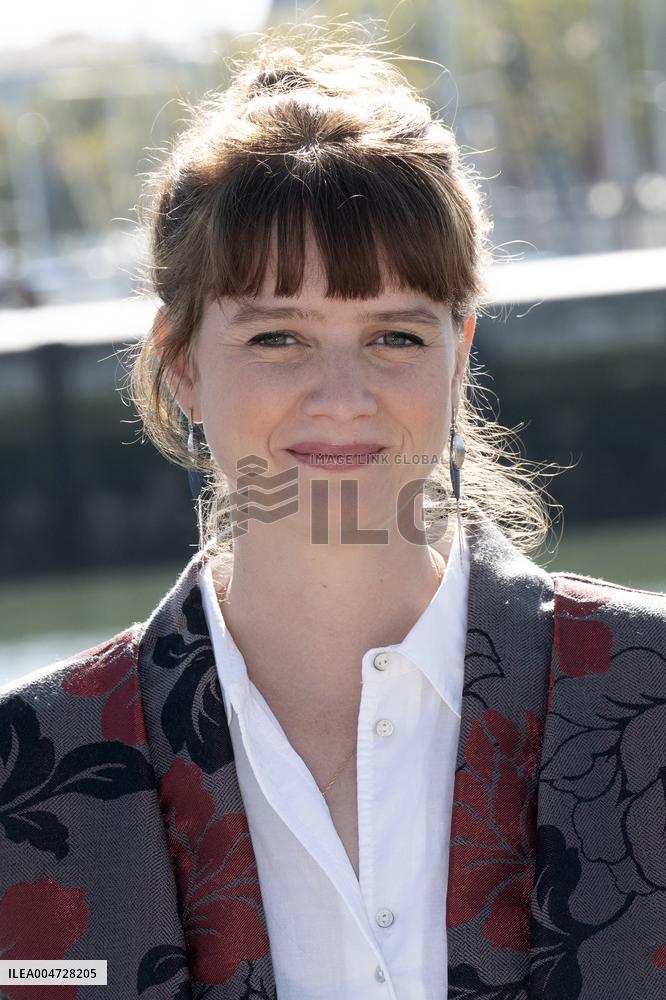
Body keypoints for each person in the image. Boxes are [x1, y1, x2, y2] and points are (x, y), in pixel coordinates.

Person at [1, 23, 665, 1000]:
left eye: (394, 333)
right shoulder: (28, 768)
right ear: (181, 361)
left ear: (460, 349)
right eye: (278, 336)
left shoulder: (650, 699)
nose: (342, 394)